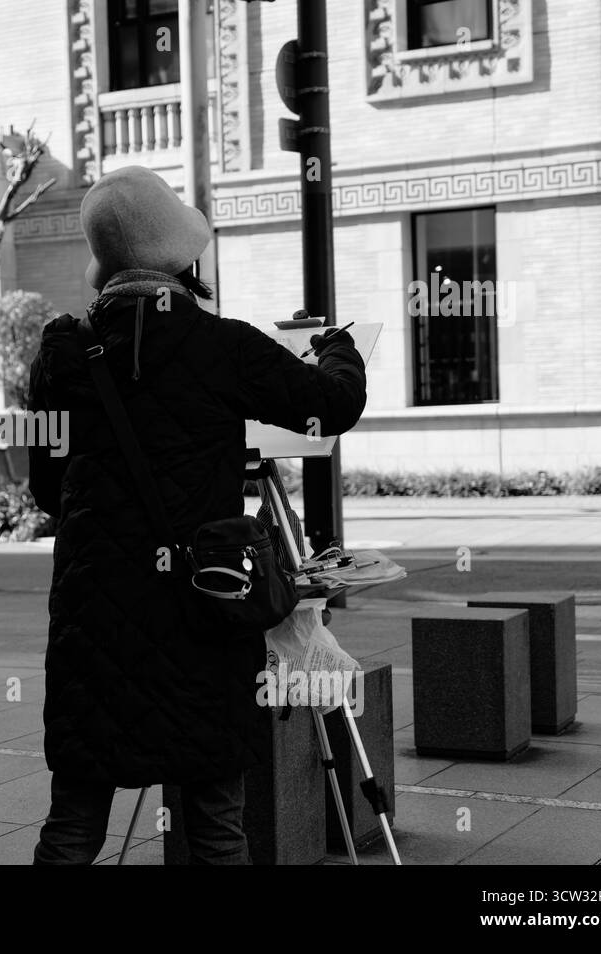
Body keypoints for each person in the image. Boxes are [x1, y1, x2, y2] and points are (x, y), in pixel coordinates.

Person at [27, 166, 368, 865]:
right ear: (178, 251)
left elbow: (44, 489)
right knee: (216, 827)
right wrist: (338, 349)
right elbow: (329, 407)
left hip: (95, 620)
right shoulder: (223, 346)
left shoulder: (59, 356)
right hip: (203, 608)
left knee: (74, 826)